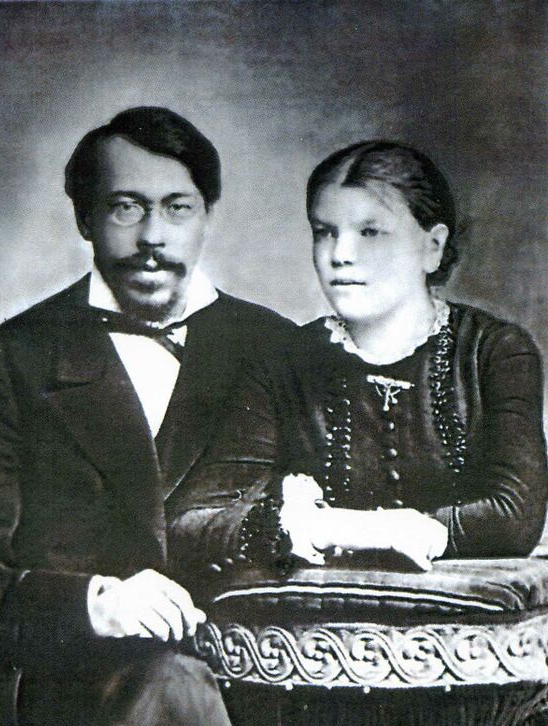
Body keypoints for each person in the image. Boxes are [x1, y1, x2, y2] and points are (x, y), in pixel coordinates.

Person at [0, 106, 292, 726]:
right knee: (168, 688)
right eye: (125, 208)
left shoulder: (280, 351)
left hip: (266, 696)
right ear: (85, 219)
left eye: (176, 208)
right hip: (74, 708)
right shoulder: (11, 363)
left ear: (206, 216)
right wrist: (95, 604)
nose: (152, 236)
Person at [170, 140, 547, 577]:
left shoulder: (494, 352)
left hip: (467, 614)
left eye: (370, 232)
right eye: (325, 231)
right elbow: (190, 524)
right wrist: (340, 530)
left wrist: (376, 530)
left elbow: (514, 516)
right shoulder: (281, 363)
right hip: (317, 615)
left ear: (432, 247)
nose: (340, 255)